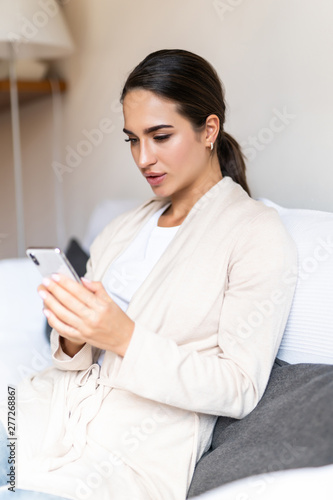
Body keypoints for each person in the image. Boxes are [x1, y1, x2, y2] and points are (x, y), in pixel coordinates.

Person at [0, 49, 296, 500]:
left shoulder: (255, 232)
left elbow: (239, 386)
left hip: (118, 466)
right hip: (32, 419)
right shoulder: (122, 229)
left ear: (209, 130)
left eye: (160, 136)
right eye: (132, 140)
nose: (143, 158)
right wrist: (74, 334)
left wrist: (124, 337)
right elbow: (75, 360)